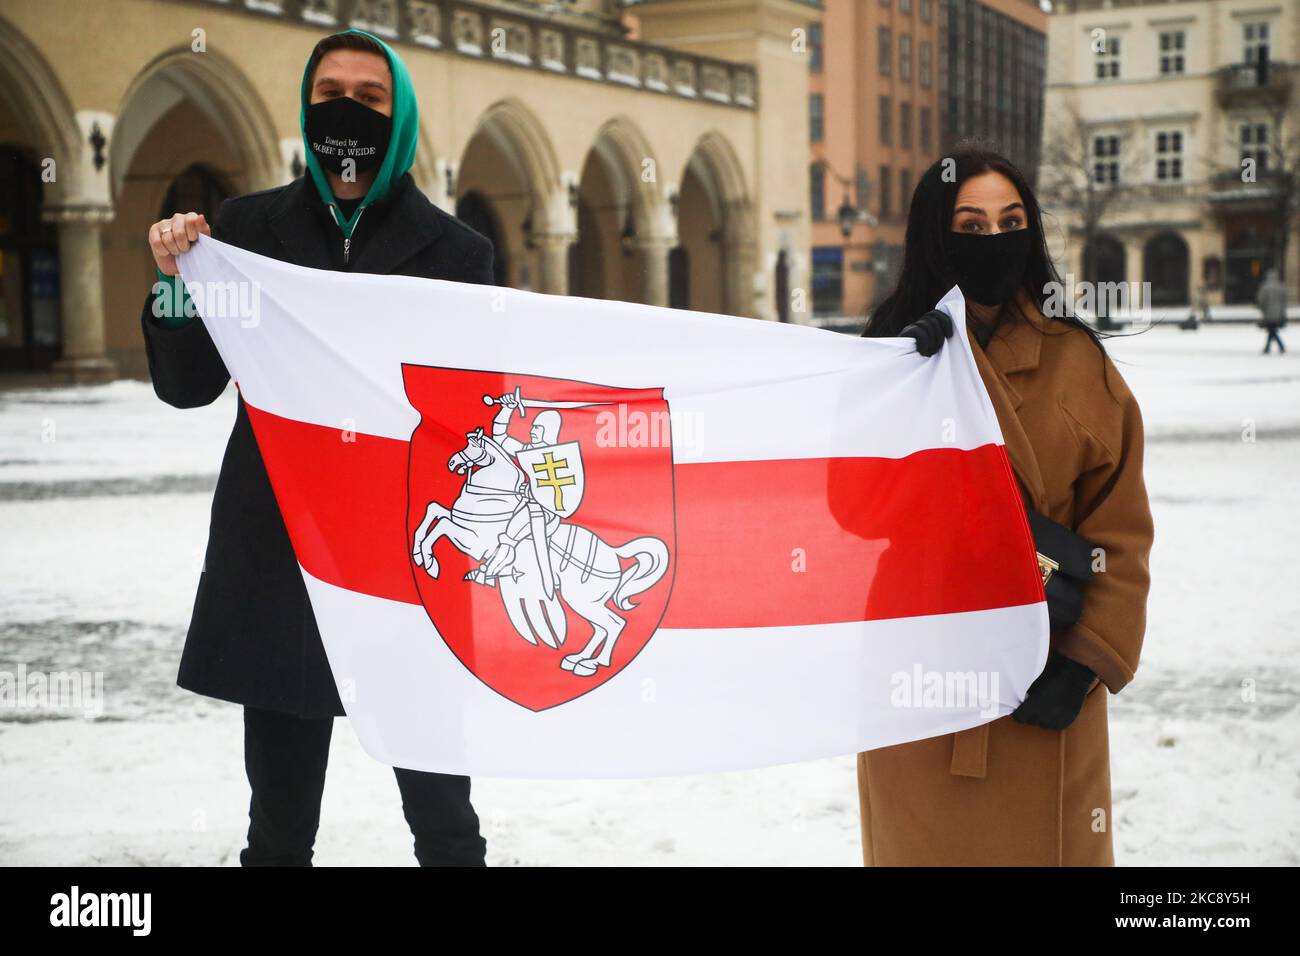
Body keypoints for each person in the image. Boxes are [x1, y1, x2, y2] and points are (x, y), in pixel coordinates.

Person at [141, 30, 495, 866]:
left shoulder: (458, 253)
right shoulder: (247, 229)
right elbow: (188, 386)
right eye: (328, 93)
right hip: (280, 556)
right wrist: (174, 283)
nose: (345, 111)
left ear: (399, 114)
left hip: (409, 566)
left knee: (445, 823)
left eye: (369, 99)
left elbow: (474, 414)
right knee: (278, 828)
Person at [858, 144, 1154, 866]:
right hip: (920, 671)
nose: (994, 240)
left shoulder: (1081, 363)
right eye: (971, 224)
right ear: (935, 234)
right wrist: (901, 384)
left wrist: (1084, 663)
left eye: (1010, 221)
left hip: (1044, 671)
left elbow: (1122, 533)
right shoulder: (888, 360)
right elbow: (853, 511)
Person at [1256, 268, 1288, 354]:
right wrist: (1282, 311)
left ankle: (1275, 347)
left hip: (1268, 313)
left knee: (1272, 330)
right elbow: (1284, 300)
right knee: (1272, 329)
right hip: (1278, 312)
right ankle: (1271, 347)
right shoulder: (1281, 286)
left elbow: (1261, 300)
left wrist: (1262, 309)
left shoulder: (1265, 287)